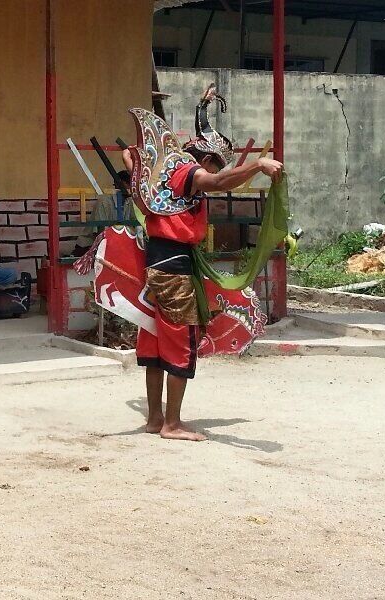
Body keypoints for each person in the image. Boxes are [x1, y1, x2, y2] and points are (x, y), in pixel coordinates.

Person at [119, 85, 283, 442]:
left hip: (155, 262)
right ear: (206, 159)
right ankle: (172, 424)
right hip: (174, 269)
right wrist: (258, 164)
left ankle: (155, 418)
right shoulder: (190, 173)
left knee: (154, 339)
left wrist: (203, 106)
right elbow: (218, 181)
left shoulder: (165, 168)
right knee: (181, 341)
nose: (215, 171)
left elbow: (131, 158)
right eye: (216, 163)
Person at [72, 170, 133, 257]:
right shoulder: (104, 202)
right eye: (129, 184)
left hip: (115, 246)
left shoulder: (129, 203)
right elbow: (99, 232)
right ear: (120, 185)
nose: (132, 188)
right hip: (90, 246)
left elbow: (134, 227)